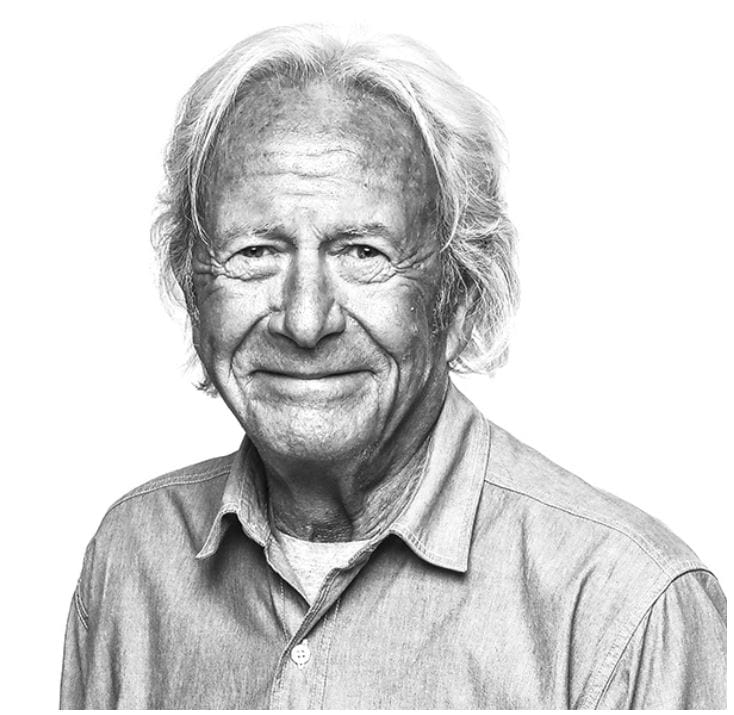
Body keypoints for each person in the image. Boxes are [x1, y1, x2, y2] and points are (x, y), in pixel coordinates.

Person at [60, 25, 726, 709]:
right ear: (191, 287)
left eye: (363, 253)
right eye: (255, 252)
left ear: (460, 292)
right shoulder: (132, 559)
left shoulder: (624, 604)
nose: (305, 320)